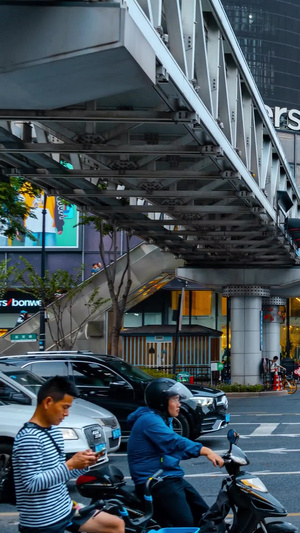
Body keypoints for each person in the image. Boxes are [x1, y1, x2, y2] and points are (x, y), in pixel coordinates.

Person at [13, 376, 125, 533]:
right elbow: (31, 484)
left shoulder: (54, 431)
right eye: (64, 407)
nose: (66, 413)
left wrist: (84, 464)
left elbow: (60, 475)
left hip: (65, 509)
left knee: (116, 525)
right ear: (47, 402)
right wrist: (71, 464)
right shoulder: (29, 438)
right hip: (43, 522)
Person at [127, 378, 224, 527]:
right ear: (161, 402)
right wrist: (205, 450)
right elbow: (174, 443)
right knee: (185, 524)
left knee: (205, 515)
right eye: (174, 400)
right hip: (155, 481)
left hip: (169, 476)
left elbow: (174, 449)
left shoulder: (163, 418)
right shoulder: (149, 420)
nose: (179, 404)